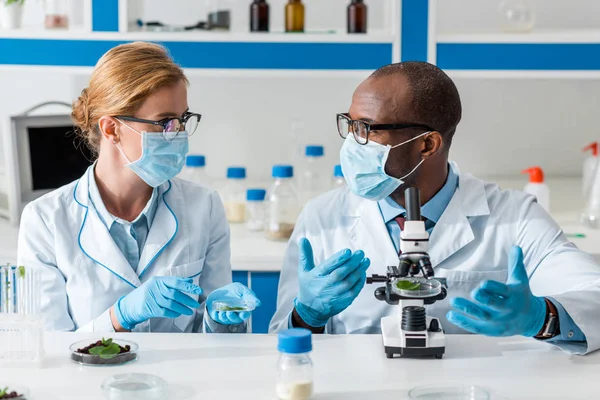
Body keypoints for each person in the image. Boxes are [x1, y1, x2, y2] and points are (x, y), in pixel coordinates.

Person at [270, 61, 600, 355]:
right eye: (351, 125)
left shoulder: (515, 218)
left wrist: (543, 317)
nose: (352, 143)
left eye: (367, 129)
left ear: (427, 144)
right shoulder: (321, 217)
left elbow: (594, 296)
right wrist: (306, 314)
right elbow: (279, 344)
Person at [17, 42, 260, 333]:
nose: (179, 133)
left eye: (182, 120)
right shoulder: (45, 219)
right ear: (111, 129)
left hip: (186, 377)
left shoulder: (203, 206)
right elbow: (49, 352)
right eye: (165, 122)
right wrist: (120, 317)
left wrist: (220, 320)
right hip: (89, 379)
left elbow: (216, 341)